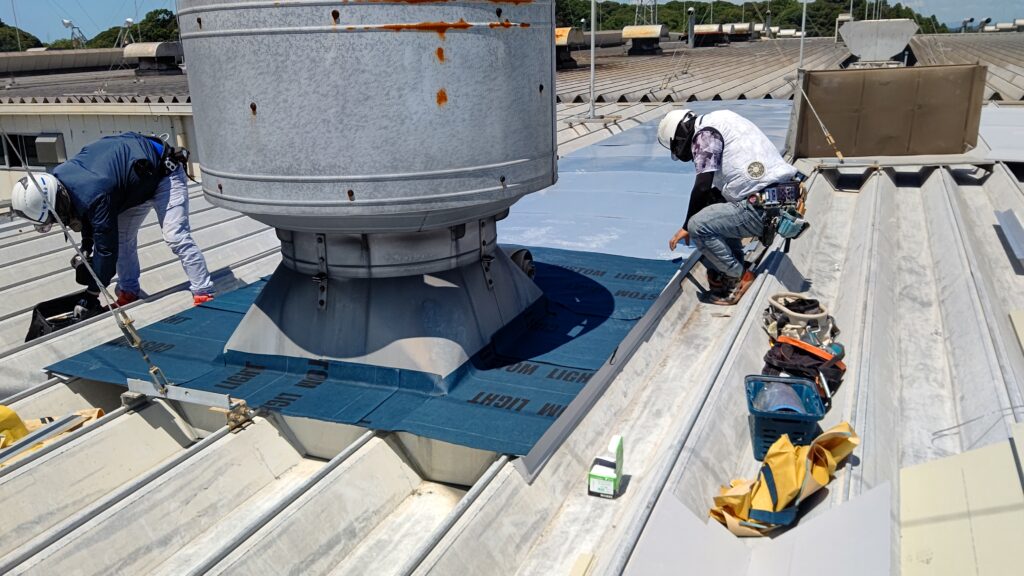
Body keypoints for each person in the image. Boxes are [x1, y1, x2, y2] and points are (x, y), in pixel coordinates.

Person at [10, 132, 215, 313]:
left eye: (53, 219)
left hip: (164, 175)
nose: (57, 222)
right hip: (135, 185)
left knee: (175, 236)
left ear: (55, 204)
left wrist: (91, 294)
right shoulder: (61, 179)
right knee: (124, 240)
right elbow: (86, 216)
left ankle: (203, 291)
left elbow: (107, 248)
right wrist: (86, 247)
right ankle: (128, 291)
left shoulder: (95, 192)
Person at [658, 108, 800, 305]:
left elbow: (702, 186)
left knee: (697, 226)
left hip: (762, 208)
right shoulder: (721, 118)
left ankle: (737, 277)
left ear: (680, 136)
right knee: (714, 204)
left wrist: (685, 226)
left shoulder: (704, 136)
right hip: (782, 198)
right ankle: (733, 267)